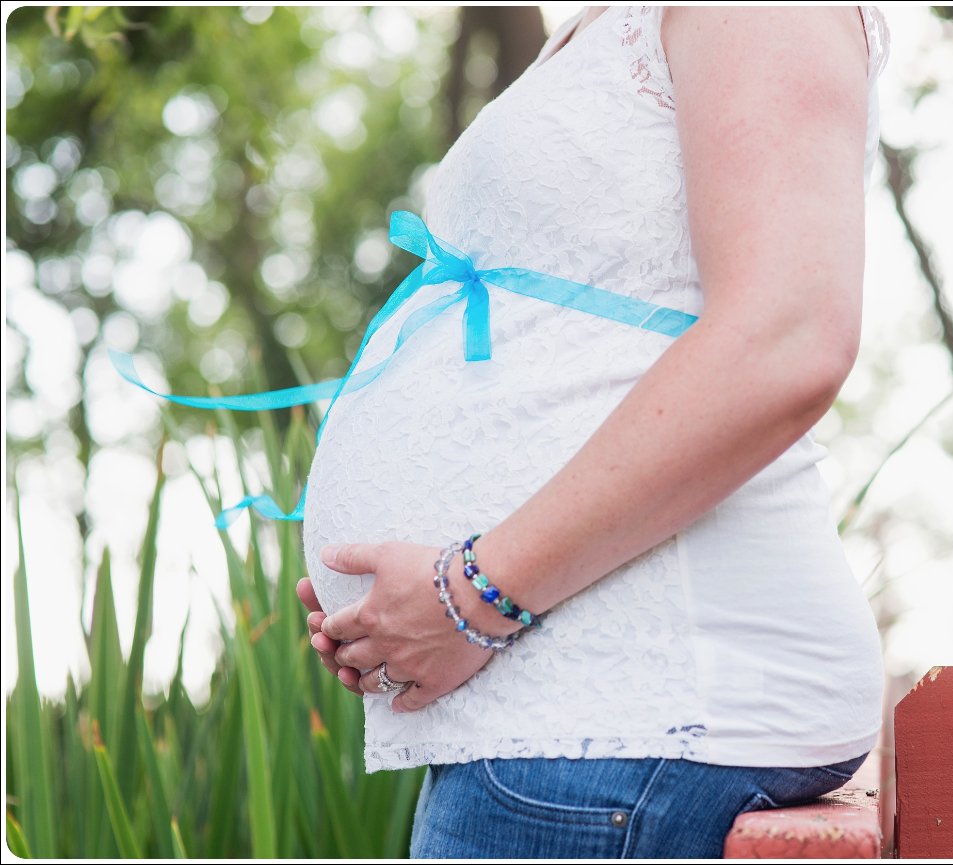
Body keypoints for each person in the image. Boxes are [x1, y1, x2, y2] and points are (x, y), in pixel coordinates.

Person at [295, 4, 891, 859]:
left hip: (626, 735)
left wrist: (469, 597)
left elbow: (787, 336)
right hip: (569, 733)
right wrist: (393, 610)